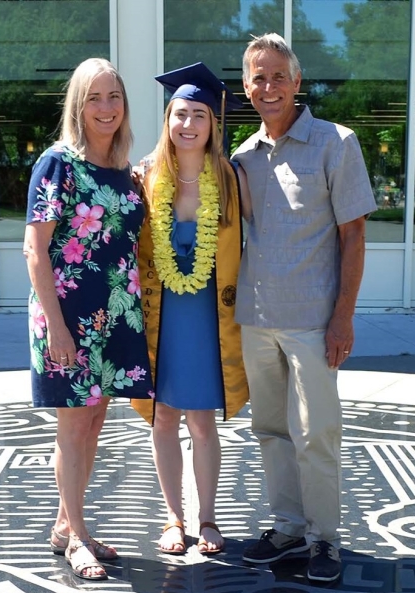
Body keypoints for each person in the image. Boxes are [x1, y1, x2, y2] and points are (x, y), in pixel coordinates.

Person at [231, 33, 376, 583]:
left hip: (314, 321)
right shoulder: (242, 157)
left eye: (277, 76)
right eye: (257, 78)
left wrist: (344, 316)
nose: (268, 87)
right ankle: (288, 528)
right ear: (247, 88)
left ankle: (324, 540)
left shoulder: (336, 143)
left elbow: (354, 236)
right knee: (271, 429)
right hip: (257, 317)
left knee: (318, 432)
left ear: (296, 82)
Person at [23, 58, 152, 581]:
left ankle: (65, 524)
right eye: (95, 98)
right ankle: (77, 537)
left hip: (114, 311)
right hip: (69, 313)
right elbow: (35, 250)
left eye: (114, 96)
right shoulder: (58, 164)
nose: (106, 108)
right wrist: (56, 325)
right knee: (74, 425)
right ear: (78, 105)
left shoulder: (122, 169)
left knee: (94, 420)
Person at [131, 63, 249, 557]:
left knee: (201, 422)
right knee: (163, 418)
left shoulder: (230, 179)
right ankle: (172, 518)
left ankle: (207, 519)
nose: (188, 124)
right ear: (168, 120)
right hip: (161, 317)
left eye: (199, 114)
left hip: (208, 319)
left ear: (213, 124)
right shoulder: (144, 177)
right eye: (180, 113)